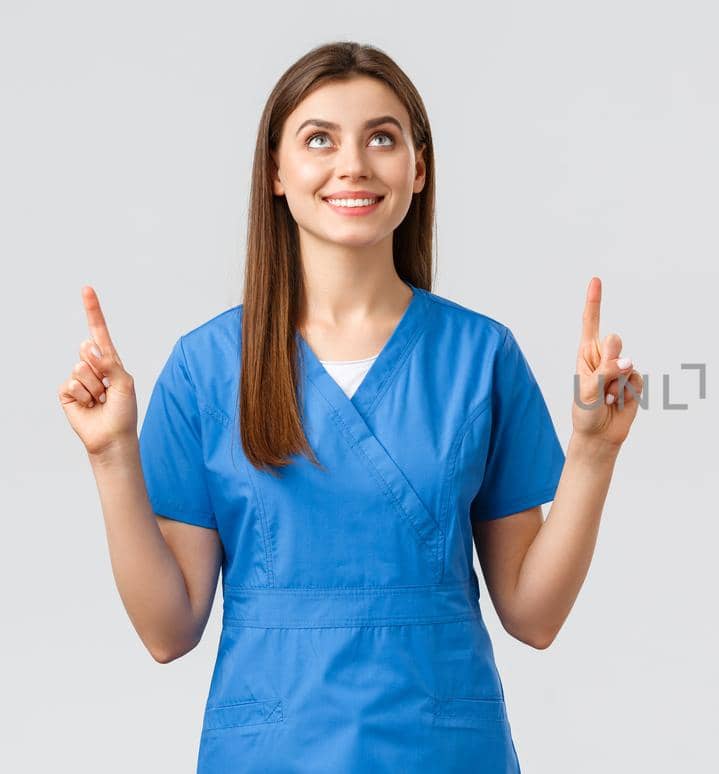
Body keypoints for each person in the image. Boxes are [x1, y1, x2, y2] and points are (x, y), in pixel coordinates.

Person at [56, 41, 643, 772]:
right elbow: (166, 632)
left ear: (418, 169)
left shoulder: (478, 357)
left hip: (440, 751)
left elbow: (535, 615)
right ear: (275, 170)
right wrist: (112, 454)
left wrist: (594, 452)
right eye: (320, 139)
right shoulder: (210, 368)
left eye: (383, 138)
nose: (354, 164)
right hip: (271, 753)